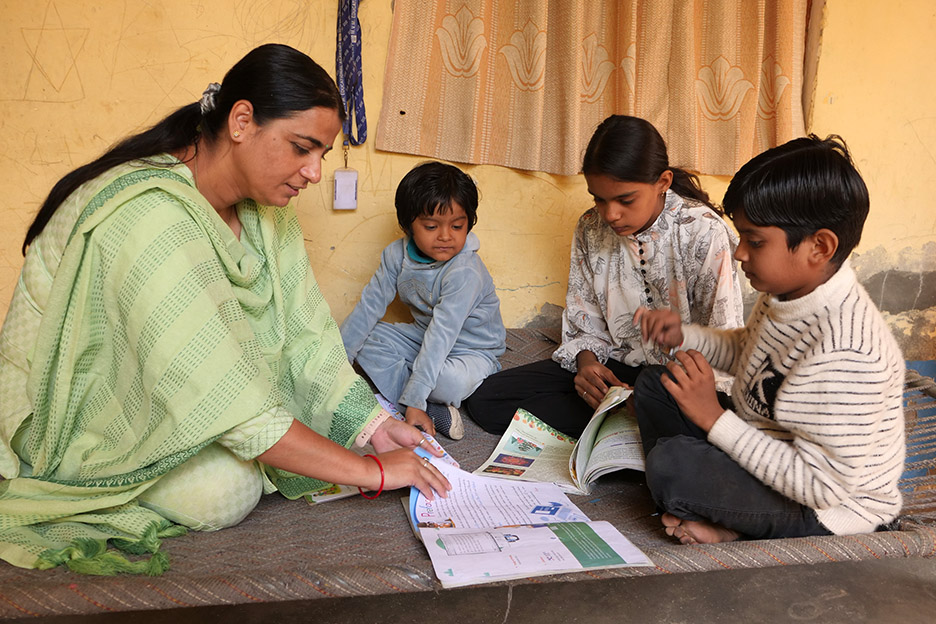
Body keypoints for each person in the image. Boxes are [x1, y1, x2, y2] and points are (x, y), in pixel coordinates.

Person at [0, 44, 450, 574]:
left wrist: (374, 428)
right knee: (227, 490)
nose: (313, 173)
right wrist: (371, 471)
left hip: (192, 384)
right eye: (302, 148)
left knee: (285, 440)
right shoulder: (149, 215)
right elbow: (223, 393)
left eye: (322, 155)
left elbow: (307, 337)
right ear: (241, 121)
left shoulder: (269, 213)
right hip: (82, 410)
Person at [634, 135, 905, 545]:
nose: (740, 253)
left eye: (754, 241)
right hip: (766, 441)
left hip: (827, 508)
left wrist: (712, 418)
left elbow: (821, 488)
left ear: (820, 246)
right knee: (658, 383)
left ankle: (724, 519)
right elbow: (751, 353)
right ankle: (710, 504)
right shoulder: (787, 292)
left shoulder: (848, 351)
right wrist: (684, 336)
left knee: (673, 465)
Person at [464, 115, 744, 438]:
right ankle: (633, 426)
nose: (610, 214)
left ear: (663, 183)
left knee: (700, 422)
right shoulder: (590, 227)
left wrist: (662, 394)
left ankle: (639, 424)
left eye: (625, 200)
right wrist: (586, 366)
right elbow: (587, 322)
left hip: (679, 381)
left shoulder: (703, 233)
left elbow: (722, 342)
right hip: (619, 371)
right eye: (598, 198)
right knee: (488, 400)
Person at [341, 161, 506, 440]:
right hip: (422, 337)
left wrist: (414, 400)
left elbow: (443, 334)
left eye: (457, 226)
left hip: (471, 351)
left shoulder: (464, 271)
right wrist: (337, 366)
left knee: (448, 382)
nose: (445, 236)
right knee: (364, 338)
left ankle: (418, 399)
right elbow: (369, 307)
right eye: (431, 226)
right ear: (408, 225)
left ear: (469, 223)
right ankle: (426, 403)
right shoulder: (395, 255)